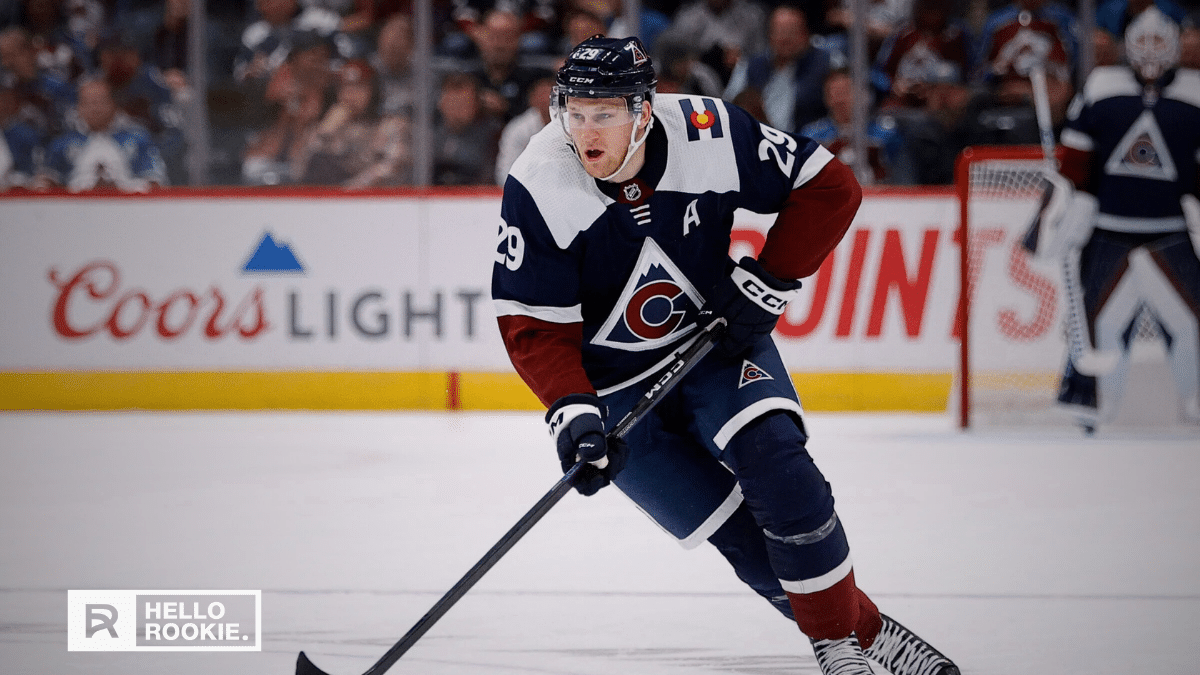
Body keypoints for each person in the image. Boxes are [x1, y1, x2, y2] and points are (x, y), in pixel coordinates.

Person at [491, 35, 960, 675]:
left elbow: (830, 187)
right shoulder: (540, 181)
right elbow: (534, 327)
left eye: (604, 114)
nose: (585, 131)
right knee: (742, 541)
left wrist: (768, 281)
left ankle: (836, 654)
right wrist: (574, 415)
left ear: (644, 111)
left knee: (779, 467)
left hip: (714, 344)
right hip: (617, 391)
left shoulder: (707, 133)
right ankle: (867, 634)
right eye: (575, 113)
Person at [1034, 7, 1200, 429]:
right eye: (1142, 42)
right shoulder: (1102, 87)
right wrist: (1066, 208)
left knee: (1192, 323)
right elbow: (1076, 161)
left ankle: (1193, 400)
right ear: (1127, 46)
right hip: (1109, 230)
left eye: (1159, 42)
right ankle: (1090, 403)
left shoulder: (1195, 94)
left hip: (1171, 231)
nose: (1150, 52)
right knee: (1096, 323)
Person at [293, 58, 411, 186]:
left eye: (359, 87)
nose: (351, 94)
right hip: (329, 200)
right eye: (345, 87)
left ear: (374, 91)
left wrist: (347, 191)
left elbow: (390, 170)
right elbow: (298, 172)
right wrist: (324, 132)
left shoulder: (391, 126)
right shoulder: (325, 127)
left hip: (373, 201)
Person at [36, 77, 168, 192]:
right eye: (88, 103)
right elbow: (46, 182)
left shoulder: (138, 139)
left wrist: (125, 188)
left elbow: (155, 181)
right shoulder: (63, 143)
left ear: (114, 104)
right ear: (78, 107)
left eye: (101, 102)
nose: (95, 108)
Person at [723, 4, 830, 134]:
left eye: (791, 32)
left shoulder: (826, 63)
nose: (785, 38)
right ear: (770, 35)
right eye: (779, 32)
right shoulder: (751, 64)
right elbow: (729, 105)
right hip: (759, 140)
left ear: (805, 34)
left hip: (806, 142)